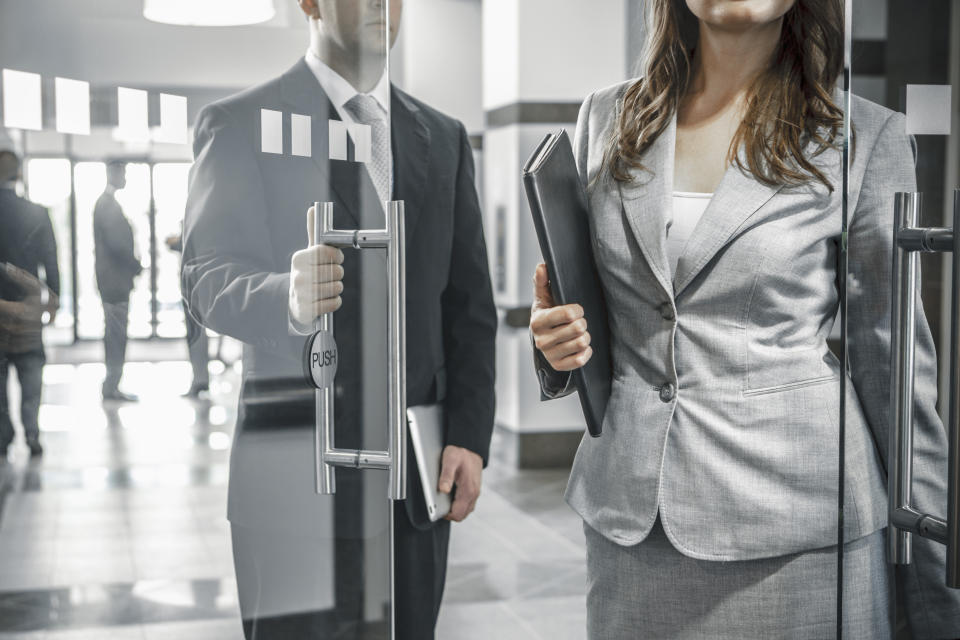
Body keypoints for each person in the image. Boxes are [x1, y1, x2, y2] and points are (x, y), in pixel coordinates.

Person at [529, 0, 959, 638]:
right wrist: (553, 343)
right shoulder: (607, 118)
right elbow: (594, 310)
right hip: (632, 523)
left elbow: (896, 372)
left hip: (798, 529)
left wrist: (936, 592)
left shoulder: (863, 137)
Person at [181, 0, 496, 638]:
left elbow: (468, 306)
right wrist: (285, 298)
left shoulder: (443, 137)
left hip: (413, 482)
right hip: (294, 480)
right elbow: (205, 275)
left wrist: (468, 434)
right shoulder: (242, 123)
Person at [0, 150, 60, 460]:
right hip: (27, 309)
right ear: (19, 174)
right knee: (31, 367)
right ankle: (32, 431)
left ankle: (3, 435)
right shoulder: (35, 212)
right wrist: (54, 302)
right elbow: (50, 260)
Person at [93, 160, 142, 403]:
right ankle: (112, 385)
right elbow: (117, 245)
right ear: (112, 173)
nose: (125, 178)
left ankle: (112, 385)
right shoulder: (107, 205)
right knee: (116, 334)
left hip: (113, 282)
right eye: (123, 172)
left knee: (115, 333)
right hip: (114, 283)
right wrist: (136, 265)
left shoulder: (108, 204)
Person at [165, 230, 209, 397]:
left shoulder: (195, 223)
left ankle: (200, 380)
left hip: (194, 287)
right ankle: (200, 379)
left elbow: (181, 243)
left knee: (196, 334)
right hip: (194, 286)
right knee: (195, 333)